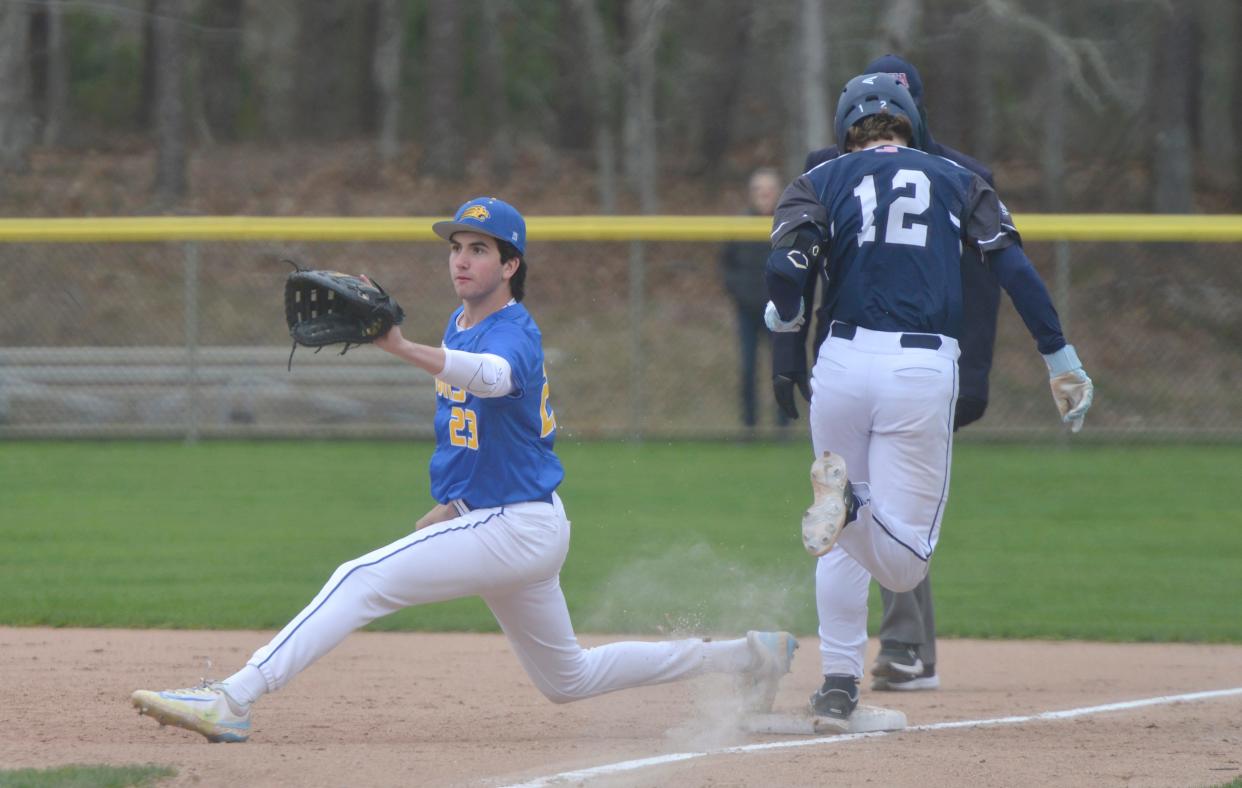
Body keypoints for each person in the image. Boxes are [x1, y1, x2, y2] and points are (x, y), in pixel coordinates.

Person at [131, 197, 797, 743]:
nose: (462, 258)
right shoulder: (460, 323)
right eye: (455, 247)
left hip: (514, 527)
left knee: (358, 578)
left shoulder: (513, 332)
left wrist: (399, 347)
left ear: (511, 263)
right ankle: (748, 654)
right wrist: (451, 501)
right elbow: (474, 430)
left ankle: (234, 698)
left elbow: (495, 379)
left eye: (479, 248)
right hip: (516, 521)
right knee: (568, 678)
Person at [763, 75, 1093, 723]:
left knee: (837, 537)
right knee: (906, 563)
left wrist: (782, 332)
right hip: (917, 366)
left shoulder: (820, 179)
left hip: (841, 362)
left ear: (844, 126)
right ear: (911, 120)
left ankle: (837, 682)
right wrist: (1059, 355)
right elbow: (1013, 270)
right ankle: (851, 506)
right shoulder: (954, 177)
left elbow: (786, 271)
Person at [796, 55, 1002, 692]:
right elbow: (805, 270)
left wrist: (975, 375)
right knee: (864, 510)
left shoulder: (962, 177)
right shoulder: (826, 170)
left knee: (877, 512)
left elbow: (985, 285)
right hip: (866, 355)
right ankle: (870, 661)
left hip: (915, 358)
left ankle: (902, 649)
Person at [720, 167, 788, 431]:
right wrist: (739, 293)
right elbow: (727, 265)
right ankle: (749, 425)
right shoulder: (741, 225)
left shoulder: (787, 223)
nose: (764, 195)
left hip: (781, 311)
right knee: (748, 369)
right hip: (747, 310)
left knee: (782, 369)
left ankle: (784, 425)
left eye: (769, 190)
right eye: (759, 190)